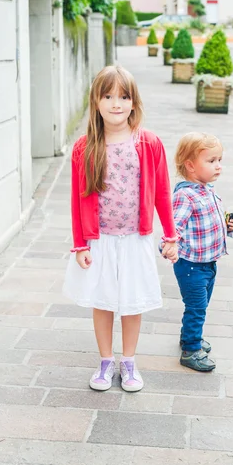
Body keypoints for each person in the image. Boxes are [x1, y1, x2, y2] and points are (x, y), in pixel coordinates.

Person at [63, 65, 178, 393]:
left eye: (123, 96)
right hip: (99, 240)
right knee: (103, 300)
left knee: (132, 301)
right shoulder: (84, 148)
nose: (116, 103)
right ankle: (105, 360)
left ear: (134, 102)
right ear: (96, 102)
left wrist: (170, 235)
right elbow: (76, 199)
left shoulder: (149, 143)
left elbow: (162, 193)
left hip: (135, 238)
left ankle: (129, 361)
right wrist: (80, 244)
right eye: (108, 95)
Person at [171, 132, 233, 371]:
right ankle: (190, 350)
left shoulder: (208, 190)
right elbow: (174, 226)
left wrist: (230, 228)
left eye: (219, 160)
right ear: (190, 166)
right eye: (211, 161)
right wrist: (168, 244)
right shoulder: (185, 195)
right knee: (197, 308)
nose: (218, 166)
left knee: (201, 305)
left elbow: (211, 223)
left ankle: (190, 336)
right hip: (191, 265)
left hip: (209, 263)